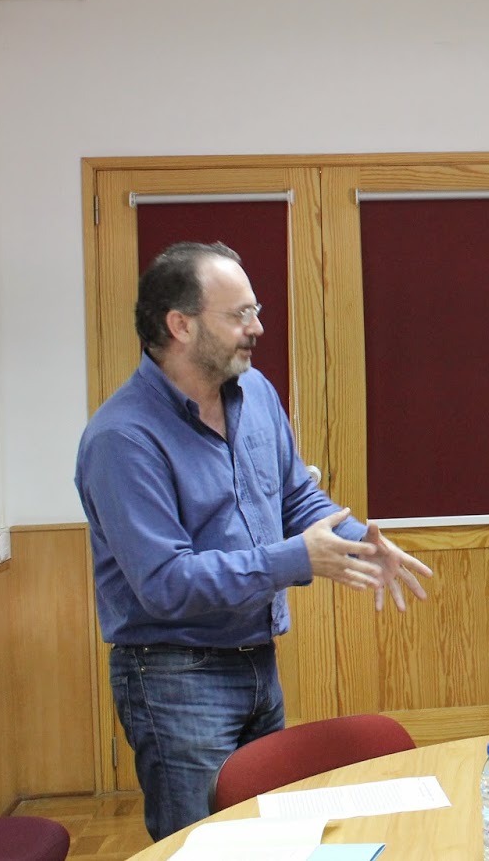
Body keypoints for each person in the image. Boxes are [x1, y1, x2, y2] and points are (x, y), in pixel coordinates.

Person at [76, 242, 433, 841]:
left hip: (258, 661)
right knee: (206, 846)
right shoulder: (123, 439)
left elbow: (295, 497)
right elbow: (165, 584)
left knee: (271, 840)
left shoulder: (256, 393)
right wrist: (298, 558)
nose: (257, 327)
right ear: (181, 325)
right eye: (239, 314)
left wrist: (356, 540)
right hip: (173, 676)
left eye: (256, 310)